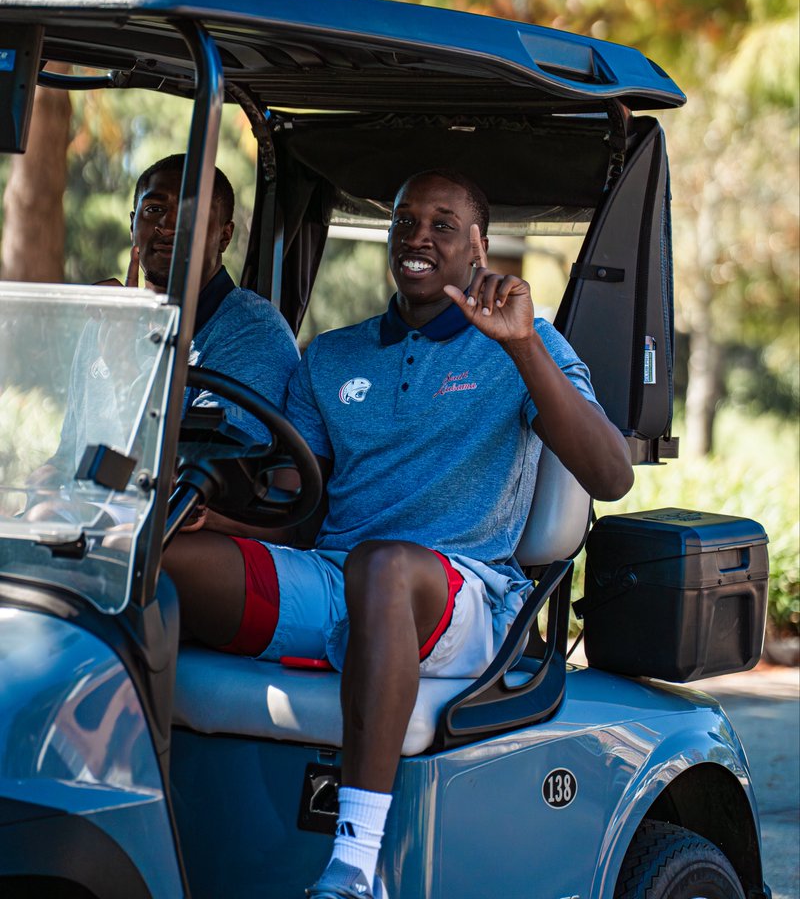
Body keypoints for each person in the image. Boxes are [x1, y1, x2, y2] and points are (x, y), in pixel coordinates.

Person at [163, 169, 634, 899]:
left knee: (382, 568)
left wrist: (521, 349)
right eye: (404, 221)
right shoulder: (331, 356)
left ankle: (355, 867)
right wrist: (211, 517)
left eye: (442, 224)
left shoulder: (526, 346)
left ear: (478, 244)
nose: (418, 236)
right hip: (337, 580)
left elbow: (610, 474)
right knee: (159, 559)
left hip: (466, 593)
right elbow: (298, 509)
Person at [28, 154, 299, 516]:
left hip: (172, 532)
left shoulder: (251, 332)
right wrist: (45, 480)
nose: (168, 225)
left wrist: (125, 366)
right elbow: (73, 454)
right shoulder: (106, 322)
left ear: (224, 235)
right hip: (93, 519)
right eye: (154, 209)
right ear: (132, 224)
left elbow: (198, 486)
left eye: (191, 212)